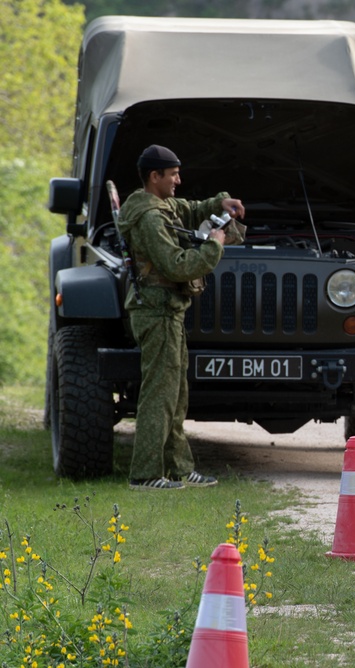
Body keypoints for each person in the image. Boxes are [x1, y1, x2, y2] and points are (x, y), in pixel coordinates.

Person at [118, 144, 245, 490]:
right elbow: (177, 265)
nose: (178, 180)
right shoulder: (149, 218)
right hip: (156, 311)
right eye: (172, 174)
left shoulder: (160, 205)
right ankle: (145, 474)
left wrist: (219, 204)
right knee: (159, 394)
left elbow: (187, 208)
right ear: (154, 176)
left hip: (168, 311)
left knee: (176, 393)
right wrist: (214, 244)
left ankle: (178, 468)